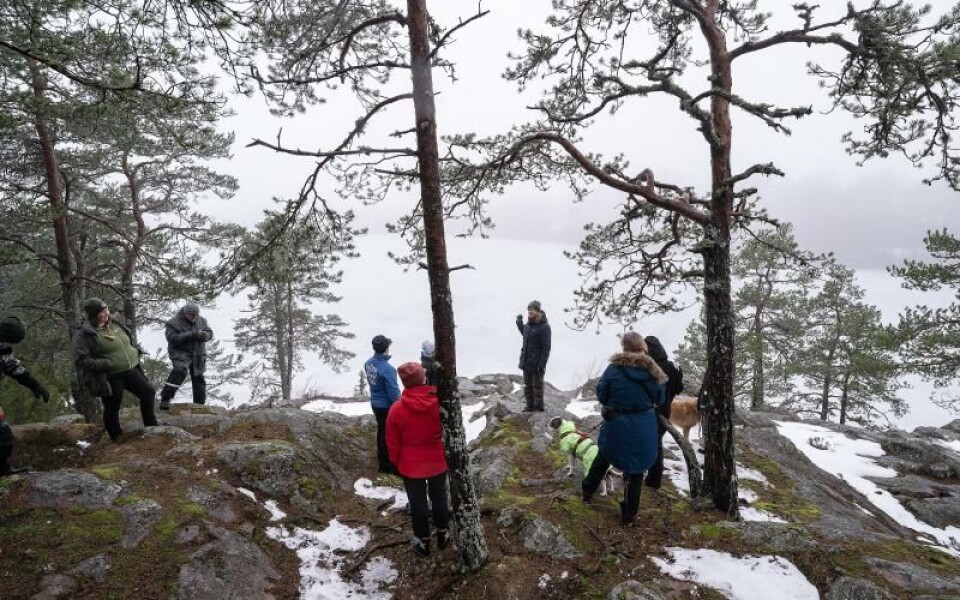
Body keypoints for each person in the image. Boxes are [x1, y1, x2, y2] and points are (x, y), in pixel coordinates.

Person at [582, 332, 666, 525]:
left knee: (604, 456)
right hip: (643, 425)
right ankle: (628, 514)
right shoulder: (653, 371)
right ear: (640, 350)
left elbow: (602, 395)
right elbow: (660, 399)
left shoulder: (614, 369)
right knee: (635, 470)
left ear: (624, 349)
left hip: (616, 422)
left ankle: (587, 492)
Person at [386, 361, 450, 558]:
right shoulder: (439, 403)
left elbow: (392, 441)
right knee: (439, 496)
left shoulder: (396, 409)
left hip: (410, 463)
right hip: (437, 459)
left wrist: (396, 462)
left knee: (418, 503)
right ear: (423, 378)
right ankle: (443, 532)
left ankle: (422, 541)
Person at [73, 298, 159, 441]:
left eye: (106, 309)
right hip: (111, 375)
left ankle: (151, 425)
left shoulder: (115, 324)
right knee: (113, 406)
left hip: (131, 369)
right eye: (101, 312)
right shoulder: (84, 334)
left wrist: (134, 352)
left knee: (148, 392)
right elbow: (81, 360)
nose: (106, 313)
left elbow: (126, 341)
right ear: (93, 315)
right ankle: (116, 435)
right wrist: (106, 363)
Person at [0, 316, 50, 476]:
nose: (11, 346)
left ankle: (3, 469)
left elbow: (12, 366)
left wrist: (35, 385)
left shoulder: (3, 347)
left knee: (4, 436)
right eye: (11, 341)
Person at [643, 335, 684, 489]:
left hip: (648, 411)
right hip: (665, 411)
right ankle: (654, 481)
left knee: (643, 442)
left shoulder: (649, 367)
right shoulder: (671, 366)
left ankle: (637, 474)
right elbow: (679, 389)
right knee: (657, 444)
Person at [159, 302, 214, 409]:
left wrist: (205, 336)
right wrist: (192, 334)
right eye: (192, 315)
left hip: (198, 353)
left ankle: (199, 405)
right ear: (185, 313)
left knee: (198, 377)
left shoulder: (201, 320)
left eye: (196, 315)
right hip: (180, 352)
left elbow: (210, 333)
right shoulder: (173, 323)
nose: (195, 317)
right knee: (180, 371)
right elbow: (173, 339)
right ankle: (165, 399)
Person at [364, 334, 400, 473]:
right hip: (386, 406)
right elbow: (393, 393)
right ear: (386, 348)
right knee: (389, 435)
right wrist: (400, 406)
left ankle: (382, 461)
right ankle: (387, 466)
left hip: (375, 403)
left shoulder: (368, 363)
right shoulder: (388, 369)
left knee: (382, 431)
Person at [515, 300, 551, 412]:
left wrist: (542, 364)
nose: (530, 311)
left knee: (538, 388)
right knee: (527, 386)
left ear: (538, 311)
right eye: (529, 309)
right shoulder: (528, 325)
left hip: (537, 364)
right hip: (526, 361)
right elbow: (525, 333)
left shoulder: (544, 327)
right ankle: (529, 407)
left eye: (533, 309)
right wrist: (519, 323)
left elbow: (546, 348)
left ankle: (539, 408)